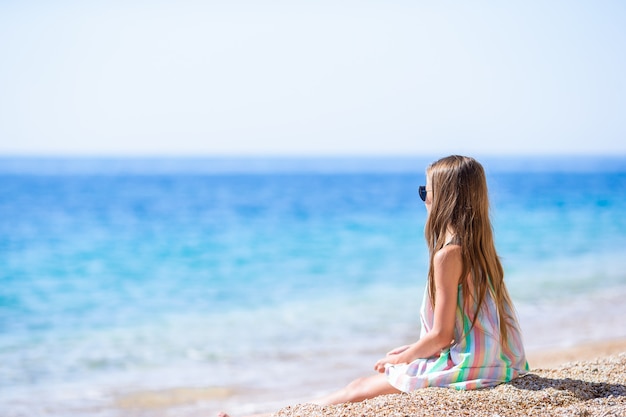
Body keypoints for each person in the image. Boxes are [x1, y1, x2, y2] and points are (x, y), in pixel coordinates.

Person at [219, 155, 528, 417]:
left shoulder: (448, 255)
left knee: (358, 390)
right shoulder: (482, 251)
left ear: (442, 199)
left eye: (426, 192)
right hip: (495, 362)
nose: (424, 199)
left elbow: (442, 335)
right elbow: (461, 329)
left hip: (470, 369)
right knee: (361, 387)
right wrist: (412, 349)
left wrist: (401, 359)